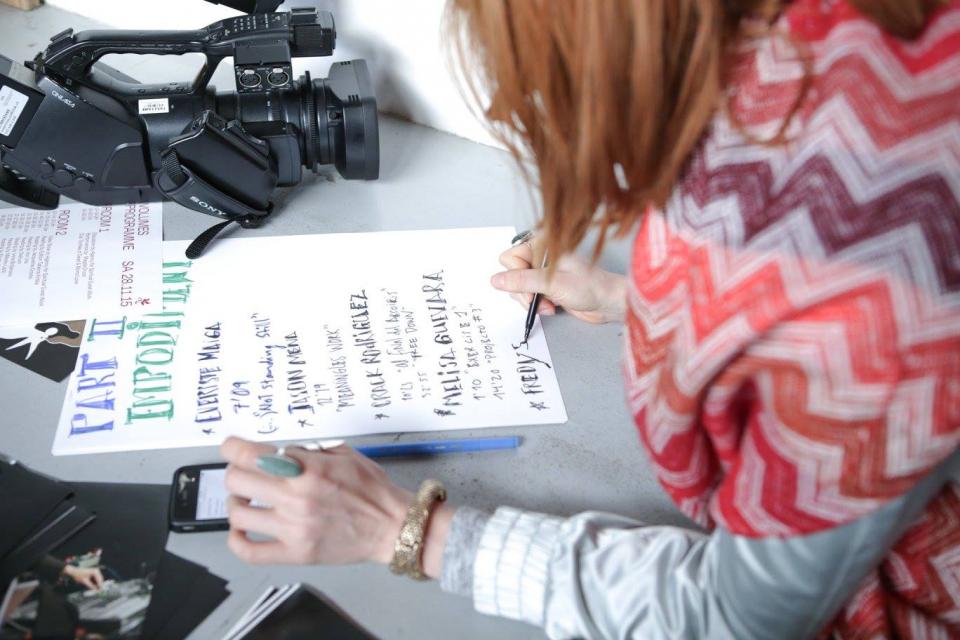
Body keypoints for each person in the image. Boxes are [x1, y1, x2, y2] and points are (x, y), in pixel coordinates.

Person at [220, 0, 960, 637]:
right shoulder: (837, 50)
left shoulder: (869, 248)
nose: (517, 107)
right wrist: (634, 298)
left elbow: (736, 617)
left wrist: (405, 531)